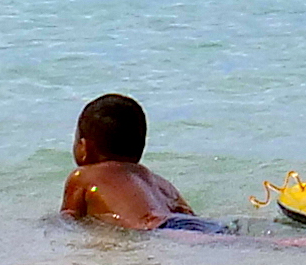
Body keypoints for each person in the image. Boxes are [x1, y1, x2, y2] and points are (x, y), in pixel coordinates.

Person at [58, 90, 213, 229]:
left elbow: (69, 221)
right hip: (195, 225)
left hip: (155, 228)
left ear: (83, 147)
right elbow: (189, 215)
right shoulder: (159, 182)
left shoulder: (83, 176)